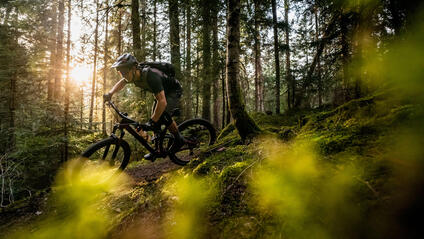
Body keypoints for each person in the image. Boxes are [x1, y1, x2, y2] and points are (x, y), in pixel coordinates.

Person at [103, 53, 184, 161]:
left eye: (124, 72)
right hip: (161, 93)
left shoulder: (151, 76)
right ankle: (157, 149)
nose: (123, 75)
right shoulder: (132, 75)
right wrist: (110, 93)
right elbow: (123, 82)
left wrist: (152, 121)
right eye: (120, 72)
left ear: (133, 68)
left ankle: (179, 139)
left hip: (173, 91)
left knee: (162, 116)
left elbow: (163, 102)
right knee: (155, 116)